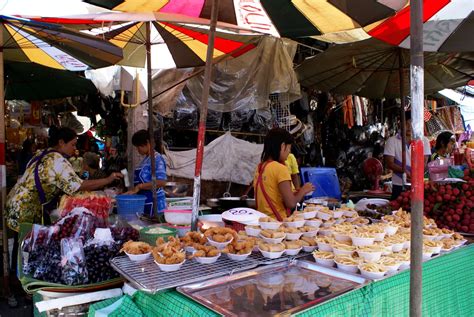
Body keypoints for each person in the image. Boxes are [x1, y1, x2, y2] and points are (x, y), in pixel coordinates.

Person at [5, 126, 123, 232]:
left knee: (19, 244)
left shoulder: (43, 153)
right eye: (72, 144)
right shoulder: (57, 160)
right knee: (25, 247)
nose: (75, 148)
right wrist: (108, 179)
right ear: (61, 142)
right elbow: (79, 185)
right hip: (26, 209)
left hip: (15, 202)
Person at [253, 128, 314, 221]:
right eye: (289, 148)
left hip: (262, 221)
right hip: (278, 223)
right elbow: (291, 203)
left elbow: (273, 194)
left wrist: (295, 193)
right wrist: (304, 190)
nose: (289, 152)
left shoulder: (260, 167)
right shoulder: (281, 169)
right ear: (282, 146)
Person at [384, 113, 431, 200]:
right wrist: (404, 171)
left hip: (417, 184)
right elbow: (389, 163)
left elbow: (424, 163)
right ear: (400, 124)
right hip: (398, 184)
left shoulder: (424, 141)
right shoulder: (391, 141)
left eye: (412, 124)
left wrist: (414, 174)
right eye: (406, 124)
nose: (409, 127)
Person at [125, 129, 167, 217]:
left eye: (138, 146)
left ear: (147, 143)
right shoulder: (146, 160)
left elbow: (161, 182)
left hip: (156, 204)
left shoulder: (157, 159)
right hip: (145, 202)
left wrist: (139, 187)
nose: (137, 150)